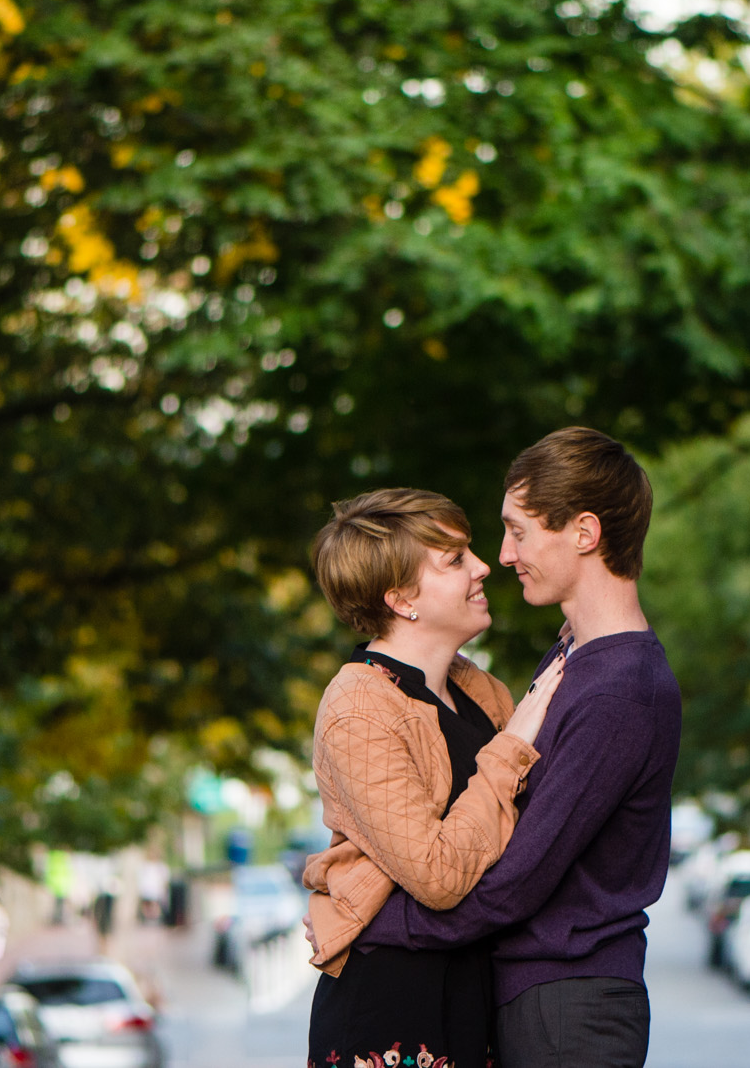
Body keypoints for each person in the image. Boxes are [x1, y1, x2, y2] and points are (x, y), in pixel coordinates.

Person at [308, 427, 681, 1068]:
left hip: (551, 994)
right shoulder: (562, 664)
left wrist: (366, 921)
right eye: (457, 559)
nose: (497, 559)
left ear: (584, 533)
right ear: (400, 599)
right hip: (438, 998)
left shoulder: (588, 688)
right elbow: (455, 851)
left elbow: (509, 874)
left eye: (516, 532)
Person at [303, 487, 567, 1068]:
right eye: (454, 561)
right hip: (393, 1007)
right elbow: (439, 874)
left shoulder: (482, 690)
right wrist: (513, 746)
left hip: (480, 989)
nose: (482, 567)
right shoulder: (359, 708)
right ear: (400, 599)